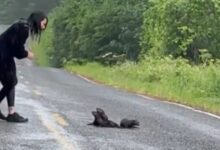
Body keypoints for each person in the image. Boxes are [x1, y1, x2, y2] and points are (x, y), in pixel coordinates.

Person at [0, 11, 48, 123]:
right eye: (43, 23)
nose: (44, 27)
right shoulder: (24, 28)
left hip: (5, 55)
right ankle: (11, 113)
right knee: (11, 82)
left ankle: (12, 113)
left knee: (11, 82)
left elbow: (13, 46)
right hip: (2, 56)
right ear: (38, 20)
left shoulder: (23, 25)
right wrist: (27, 54)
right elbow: (17, 50)